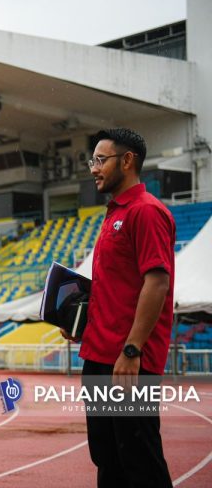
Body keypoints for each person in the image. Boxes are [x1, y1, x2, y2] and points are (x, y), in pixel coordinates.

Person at [63, 128, 175, 487]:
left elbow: (157, 282)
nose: (93, 168)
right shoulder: (113, 214)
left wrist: (132, 349)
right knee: (108, 459)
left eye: (100, 160)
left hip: (127, 363)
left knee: (139, 461)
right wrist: (80, 322)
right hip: (99, 354)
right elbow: (116, 289)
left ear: (127, 161)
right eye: (91, 161)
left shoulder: (146, 212)